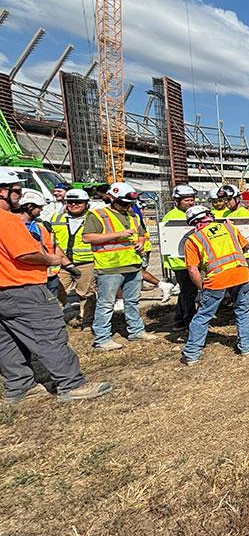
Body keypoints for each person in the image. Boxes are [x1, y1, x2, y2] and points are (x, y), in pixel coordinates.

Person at [0, 171, 111, 403]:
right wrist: (52, 260)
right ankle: (71, 384)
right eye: (16, 191)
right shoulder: (7, 220)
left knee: (7, 340)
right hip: (22, 288)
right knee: (48, 334)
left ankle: (19, 387)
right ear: (2, 191)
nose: (18, 197)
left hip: (4, 292)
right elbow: (26, 254)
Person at [82, 182, 160, 350]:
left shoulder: (133, 215)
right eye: (123, 203)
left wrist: (140, 242)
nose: (126, 206)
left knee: (132, 301)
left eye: (129, 203)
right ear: (112, 198)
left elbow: (141, 234)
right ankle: (102, 338)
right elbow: (87, 237)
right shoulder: (98, 215)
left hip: (132, 264)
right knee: (106, 303)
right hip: (110, 267)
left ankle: (136, 331)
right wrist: (118, 234)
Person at [180, 206, 249, 365]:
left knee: (203, 315)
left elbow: (193, 270)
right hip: (241, 273)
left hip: (217, 280)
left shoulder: (193, 239)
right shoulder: (229, 227)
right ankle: (246, 346)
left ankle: (191, 354)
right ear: (209, 216)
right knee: (242, 310)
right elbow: (246, 247)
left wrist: (201, 288)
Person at [50, 188, 97, 327]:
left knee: (86, 294)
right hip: (62, 263)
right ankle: (60, 318)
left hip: (86, 262)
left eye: (78, 202)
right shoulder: (57, 218)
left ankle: (86, 322)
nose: (74, 205)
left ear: (86, 203)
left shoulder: (93, 218)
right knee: (57, 291)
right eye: (70, 202)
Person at [160, 185, 198, 332]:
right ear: (177, 201)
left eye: (192, 200)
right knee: (189, 293)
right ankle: (190, 322)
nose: (190, 203)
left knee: (186, 292)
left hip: (188, 260)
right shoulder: (171, 217)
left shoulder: (189, 214)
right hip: (181, 262)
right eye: (187, 200)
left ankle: (178, 321)